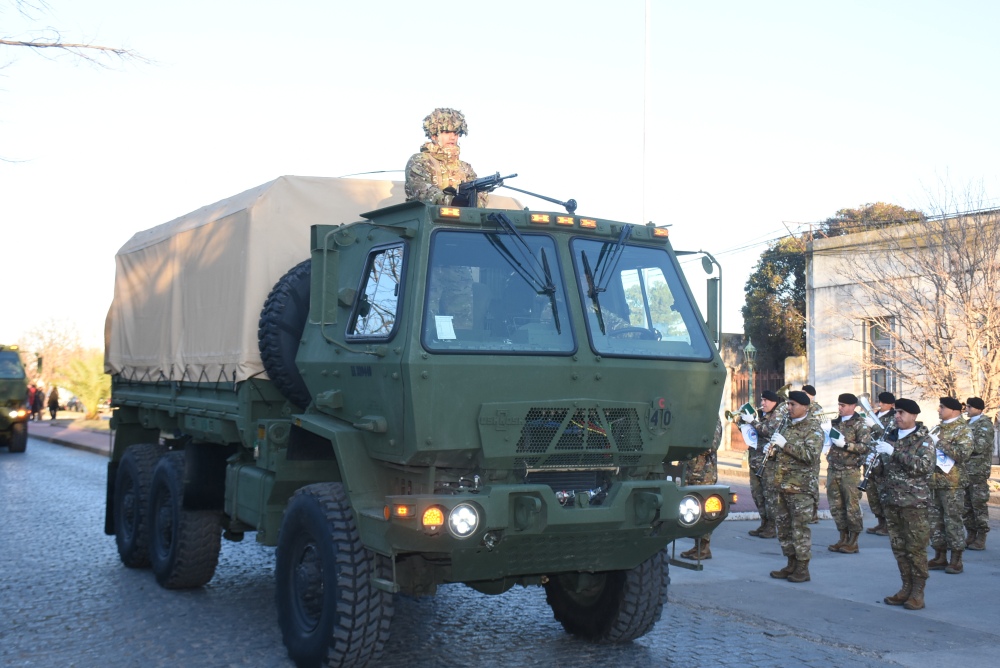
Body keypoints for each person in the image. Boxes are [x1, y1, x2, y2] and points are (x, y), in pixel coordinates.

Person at [871, 398, 934, 610]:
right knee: (899, 548)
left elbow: (924, 467)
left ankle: (918, 592)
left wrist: (894, 452)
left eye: (902, 413)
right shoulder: (890, 437)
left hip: (914, 504)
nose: (897, 416)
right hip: (892, 501)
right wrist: (875, 460)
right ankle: (906, 587)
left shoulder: (923, 440)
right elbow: (883, 472)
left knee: (915, 549)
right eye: (896, 412)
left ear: (914, 416)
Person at [768, 390, 824, 583]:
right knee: (784, 528)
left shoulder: (813, 429)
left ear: (805, 407)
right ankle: (790, 563)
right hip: (783, 485)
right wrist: (774, 450)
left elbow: (810, 456)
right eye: (788, 404)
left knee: (799, 529)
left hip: (801, 488)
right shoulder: (787, 426)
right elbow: (783, 454)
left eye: (793, 405)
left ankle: (802, 568)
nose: (789, 408)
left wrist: (785, 446)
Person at [926, 396, 973, 574]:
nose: (939, 410)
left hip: (952, 483)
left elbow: (963, 454)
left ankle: (956, 558)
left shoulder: (963, 430)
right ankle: (939, 555)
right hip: (934, 481)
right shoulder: (938, 428)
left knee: (952, 520)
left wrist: (940, 443)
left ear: (953, 410)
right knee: (935, 520)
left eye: (942, 407)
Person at [404, 108, 486, 208]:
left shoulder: (465, 168)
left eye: (456, 133)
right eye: (447, 132)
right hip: (428, 217)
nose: (453, 137)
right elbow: (422, 191)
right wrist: (450, 200)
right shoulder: (420, 161)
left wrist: (471, 201)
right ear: (434, 135)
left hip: (462, 219)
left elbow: (480, 194)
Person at [825, 393, 870, 554]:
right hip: (834, 468)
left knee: (851, 506)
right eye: (839, 405)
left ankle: (854, 540)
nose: (840, 408)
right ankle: (843, 537)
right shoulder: (835, 423)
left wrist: (846, 445)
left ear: (853, 406)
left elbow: (865, 447)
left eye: (843, 405)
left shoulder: (860, 424)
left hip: (850, 470)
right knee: (836, 506)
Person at [679, 417, 723, 560]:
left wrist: (690, 442)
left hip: (704, 474)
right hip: (689, 472)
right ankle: (697, 545)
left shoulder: (713, 420)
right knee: (693, 511)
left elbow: (712, 445)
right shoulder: (692, 419)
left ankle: (705, 548)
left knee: (705, 511)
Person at [746, 390, 783, 538]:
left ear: (774, 402)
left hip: (769, 463)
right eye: (762, 400)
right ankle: (764, 523)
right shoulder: (763, 415)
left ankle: (772, 526)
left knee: (770, 496)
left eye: (766, 400)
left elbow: (768, 431)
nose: (763, 403)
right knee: (757, 495)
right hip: (756, 460)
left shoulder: (778, 416)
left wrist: (753, 421)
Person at [962, 397, 994, 551]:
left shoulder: (985, 424)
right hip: (965, 470)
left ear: (977, 408)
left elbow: (979, 446)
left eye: (969, 407)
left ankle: (981, 536)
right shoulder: (967, 424)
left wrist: (961, 447)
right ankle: (970, 533)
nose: (966, 409)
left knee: (978, 504)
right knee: (966, 505)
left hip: (978, 471)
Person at [865, 392, 896, 536]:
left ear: (891, 404)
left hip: (884, 459)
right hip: (871, 456)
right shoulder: (875, 415)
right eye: (880, 402)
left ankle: (888, 525)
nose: (880, 405)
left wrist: (874, 426)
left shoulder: (894, 417)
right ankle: (879, 522)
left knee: (883, 492)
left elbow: (889, 435)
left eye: (884, 403)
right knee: (872, 493)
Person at [802, 384, 823, 523]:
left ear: (810, 395)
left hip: (812, 448)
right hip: (803, 448)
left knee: (812, 484)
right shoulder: (804, 407)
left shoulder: (817, 409)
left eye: (804, 394)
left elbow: (819, 425)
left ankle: (814, 512)